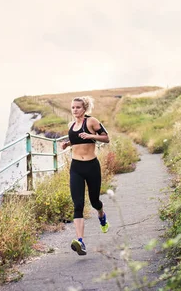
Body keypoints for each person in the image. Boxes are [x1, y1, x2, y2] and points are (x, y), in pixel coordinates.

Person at [60, 96, 110, 256]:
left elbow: (106, 138)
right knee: (78, 204)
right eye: (73, 107)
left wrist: (91, 136)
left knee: (95, 201)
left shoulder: (91, 122)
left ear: (84, 108)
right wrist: (67, 144)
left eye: (78, 107)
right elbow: (75, 140)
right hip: (76, 168)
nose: (75, 110)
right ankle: (80, 241)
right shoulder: (71, 125)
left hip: (91, 166)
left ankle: (101, 215)